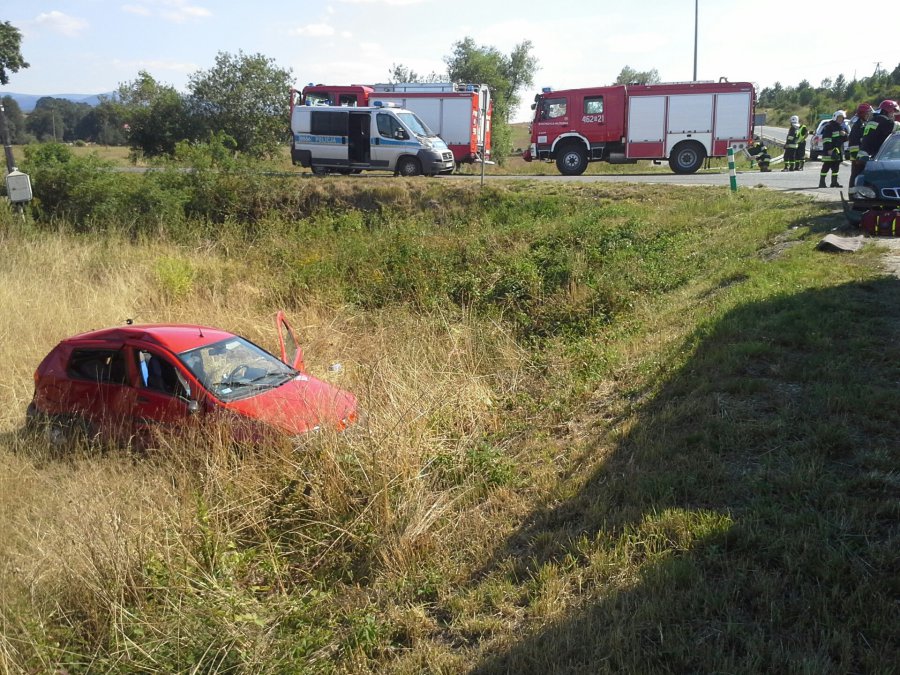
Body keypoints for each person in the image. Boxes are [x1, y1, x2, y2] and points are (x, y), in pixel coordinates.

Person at [847, 103, 874, 195]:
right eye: (867, 113)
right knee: (855, 174)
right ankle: (852, 194)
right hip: (857, 156)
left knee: (858, 174)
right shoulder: (858, 126)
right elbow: (853, 143)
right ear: (862, 113)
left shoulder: (863, 123)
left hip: (860, 155)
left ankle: (856, 193)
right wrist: (856, 158)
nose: (869, 115)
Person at [818, 110, 848, 188]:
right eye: (839, 118)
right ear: (835, 117)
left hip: (838, 150)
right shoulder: (829, 126)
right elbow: (826, 139)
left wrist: (845, 135)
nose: (841, 119)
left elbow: (844, 139)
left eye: (842, 118)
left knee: (836, 167)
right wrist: (829, 149)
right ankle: (822, 182)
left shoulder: (841, 127)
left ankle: (834, 182)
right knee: (826, 166)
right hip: (830, 150)